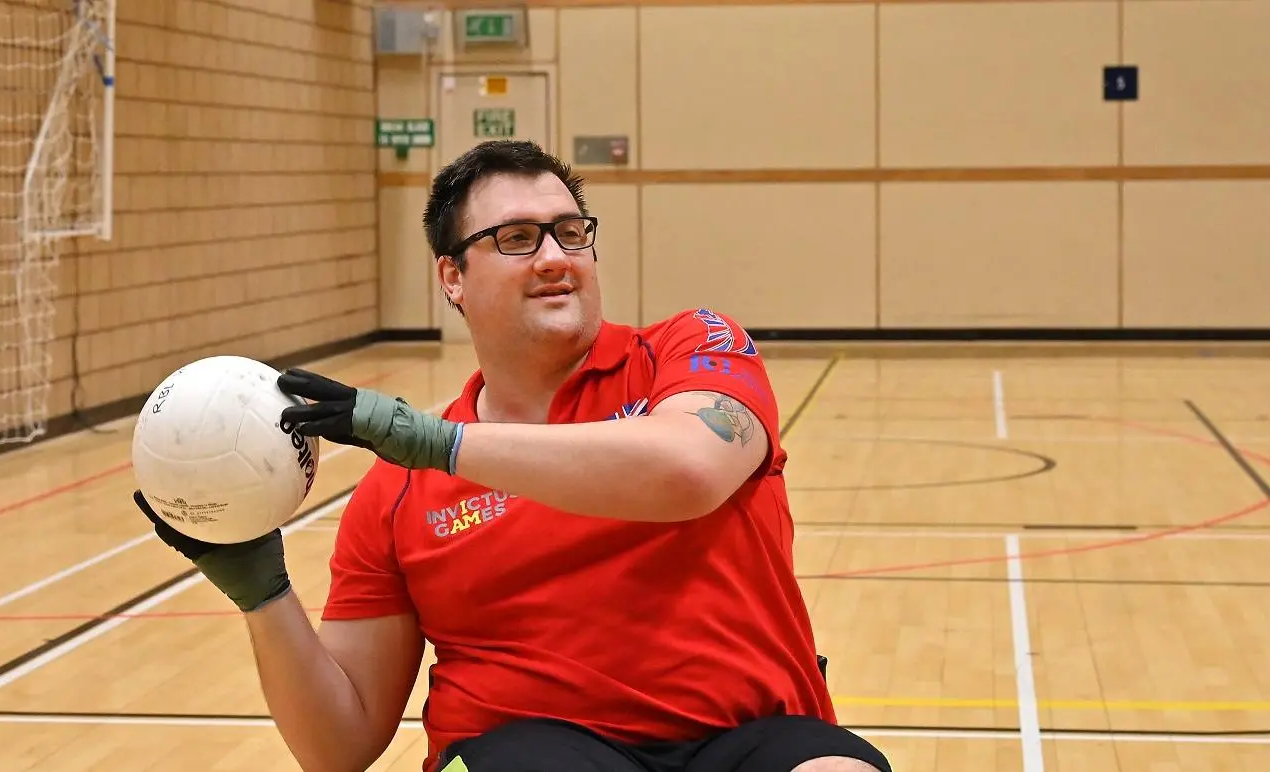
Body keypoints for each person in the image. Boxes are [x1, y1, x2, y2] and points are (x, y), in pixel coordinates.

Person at [131, 140, 891, 772]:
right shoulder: (397, 494)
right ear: (452, 277)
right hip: (531, 748)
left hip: (753, 740)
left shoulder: (689, 349)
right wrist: (260, 592)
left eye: (572, 231)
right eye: (518, 239)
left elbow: (689, 470)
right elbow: (341, 742)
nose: (557, 257)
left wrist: (440, 444)